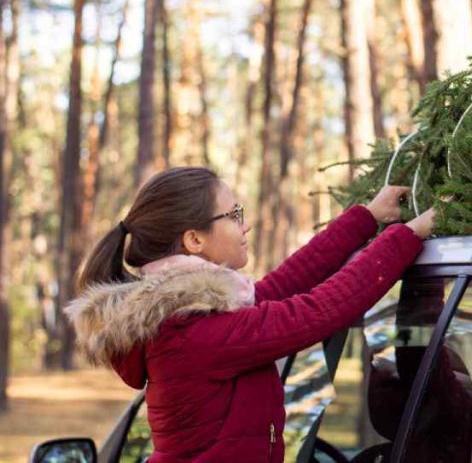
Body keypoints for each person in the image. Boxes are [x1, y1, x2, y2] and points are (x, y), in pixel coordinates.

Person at [65, 166, 434, 463]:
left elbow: (284, 285)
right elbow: (318, 311)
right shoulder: (192, 330)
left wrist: (367, 217)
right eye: (234, 214)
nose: (246, 225)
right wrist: (408, 235)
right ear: (195, 240)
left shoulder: (188, 316)